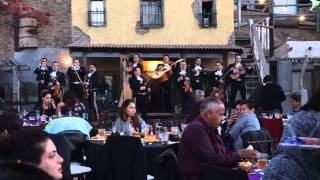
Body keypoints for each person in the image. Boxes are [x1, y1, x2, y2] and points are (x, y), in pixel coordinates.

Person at [179, 98, 258, 180]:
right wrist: (240, 154)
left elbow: (223, 154)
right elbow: (213, 161)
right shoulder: (196, 129)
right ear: (209, 114)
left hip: (214, 173)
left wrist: (241, 160)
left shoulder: (211, 128)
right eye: (220, 115)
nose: (222, 118)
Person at [263, 87, 320, 180]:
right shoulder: (311, 118)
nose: (291, 103)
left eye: (292, 101)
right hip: (291, 173)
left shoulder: (301, 115)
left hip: (275, 170)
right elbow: (290, 144)